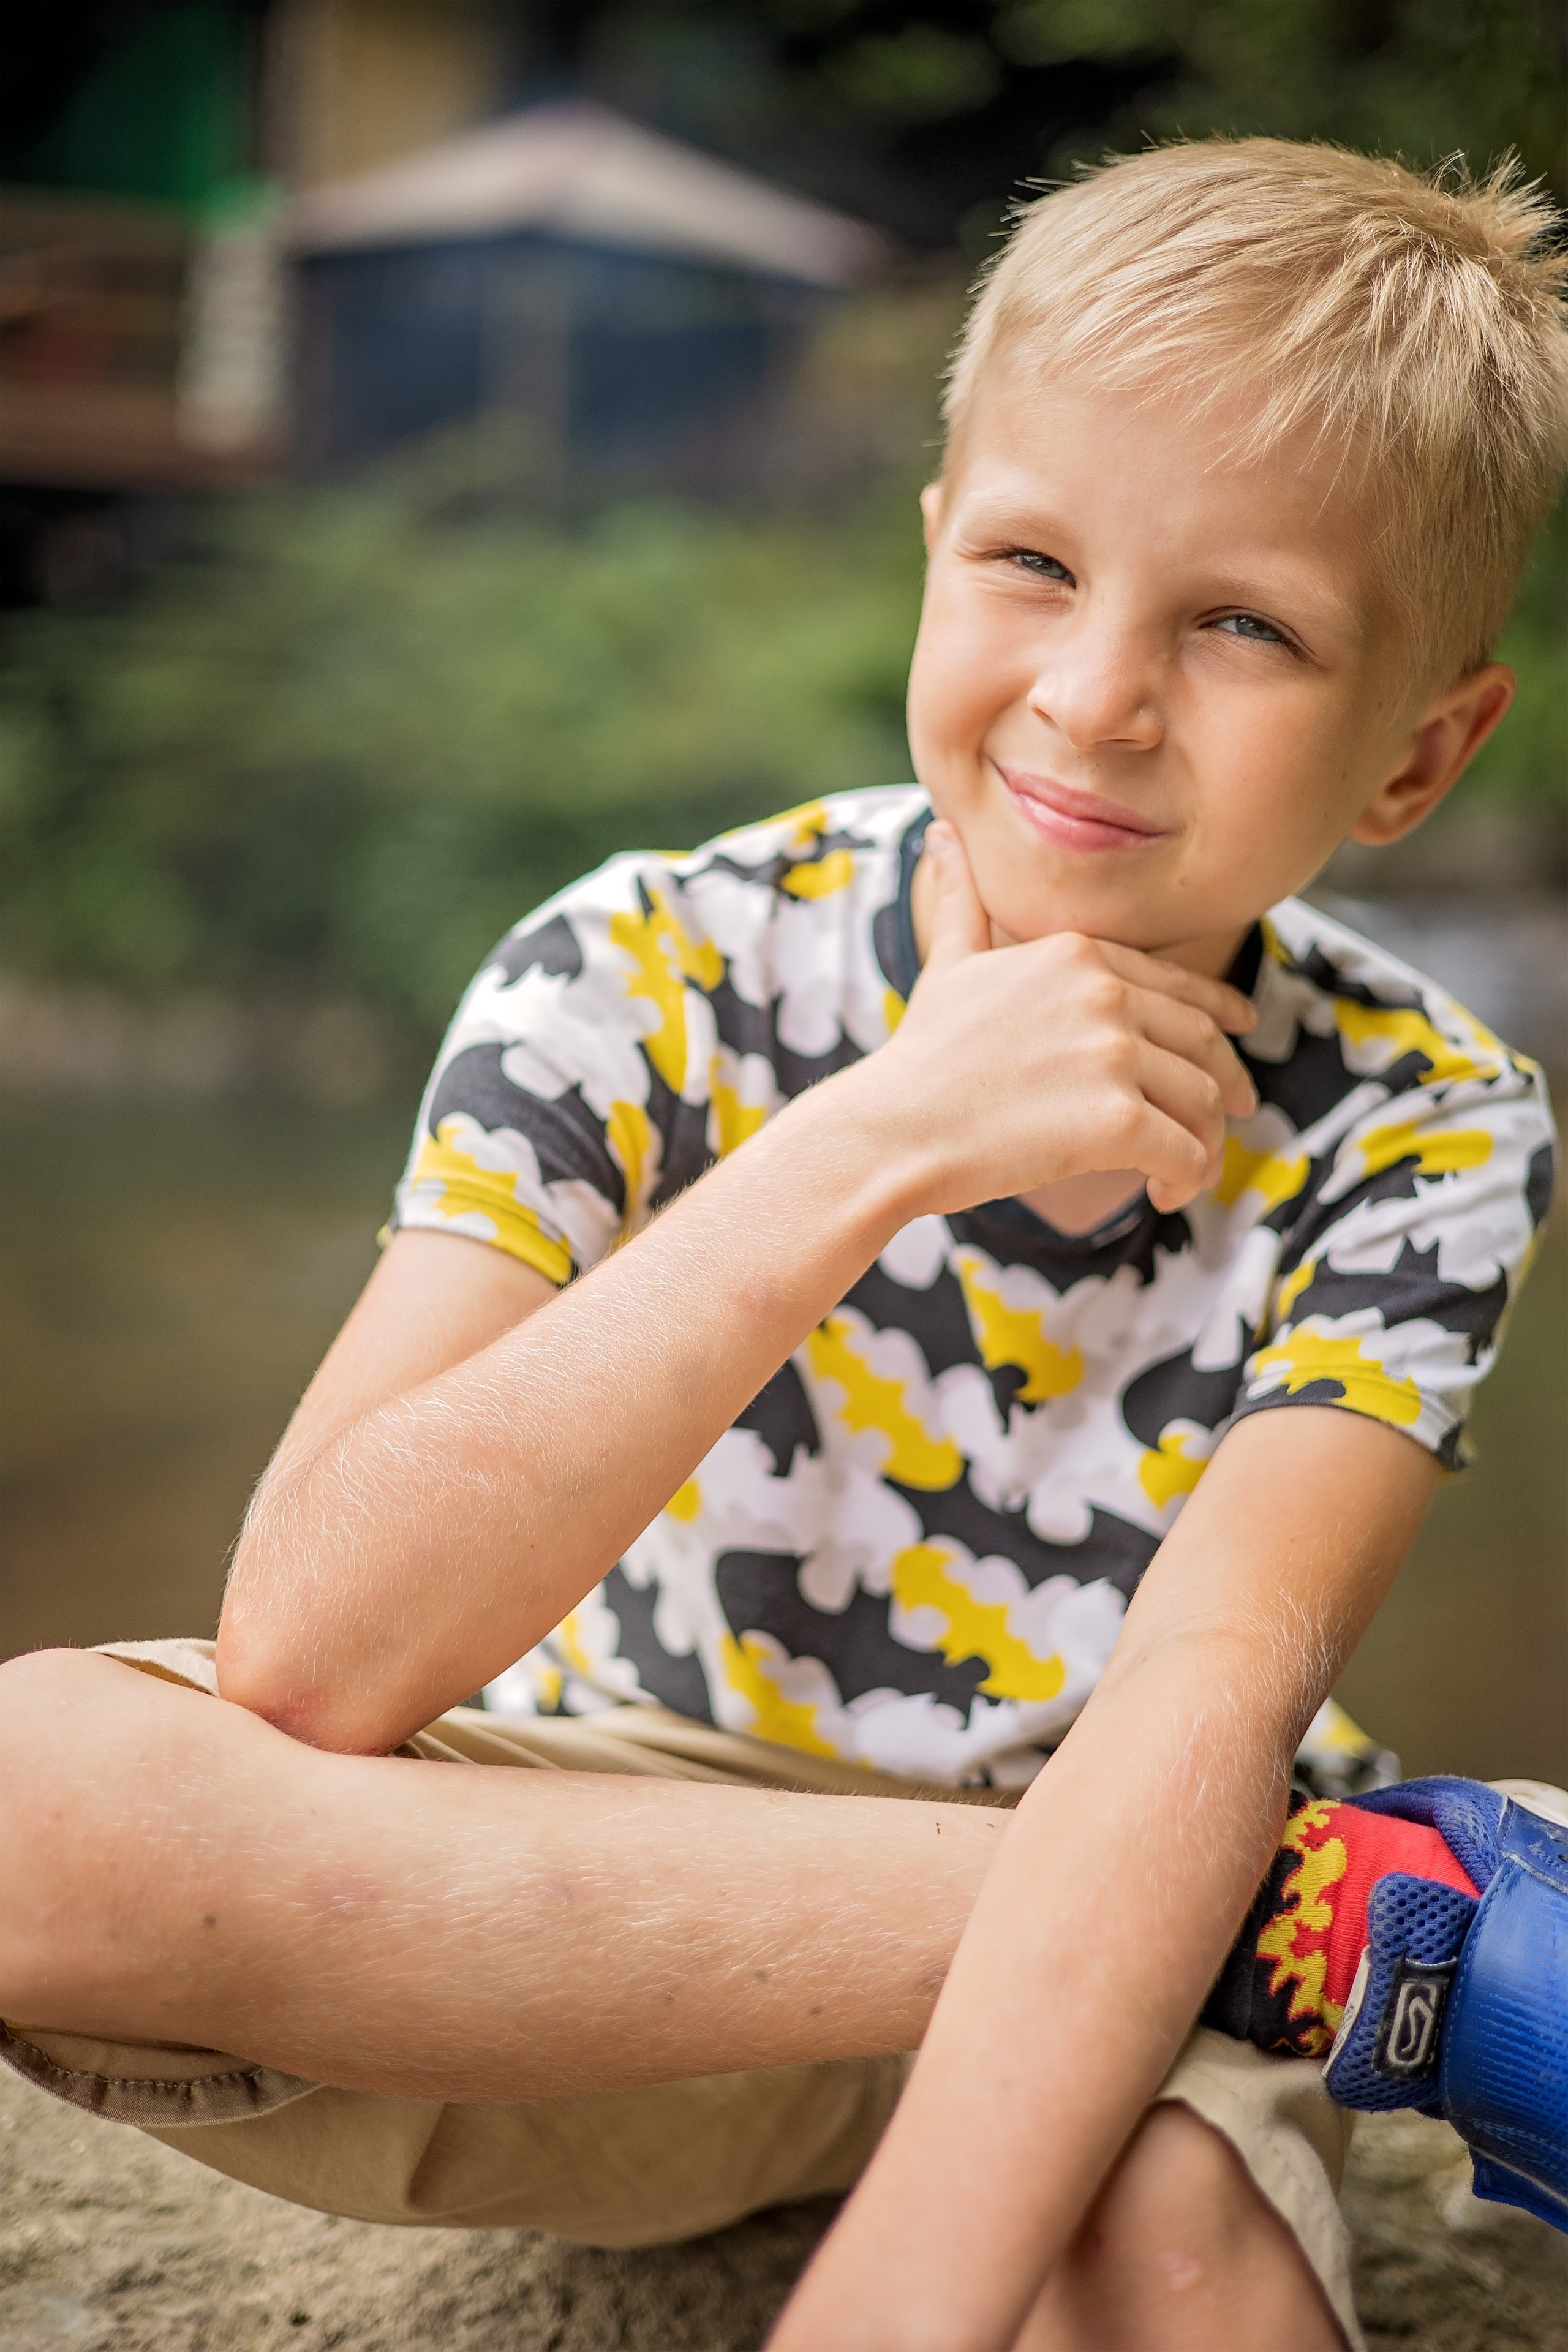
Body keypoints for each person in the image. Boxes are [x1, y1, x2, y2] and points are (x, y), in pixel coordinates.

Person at [2, 137, 1566, 2352]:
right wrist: (877, 1137)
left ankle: (1219, 1957)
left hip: (1129, 1858)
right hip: (606, 1908)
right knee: (32, 1803)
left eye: (1245, 624)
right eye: (1035, 561)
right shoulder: (633, 970)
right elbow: (312, 1654)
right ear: (934, 554)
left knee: (1183, 2273)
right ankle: (1319, 1930)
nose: (1100, 695)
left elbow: (1205, 1703)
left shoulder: (1429, 1125)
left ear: (1418, 755)